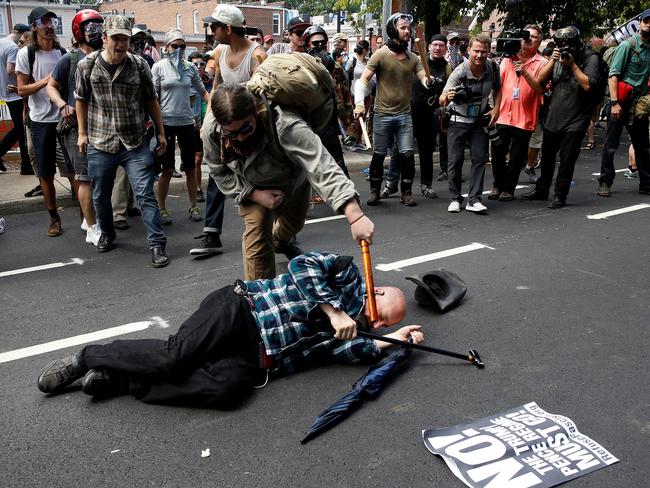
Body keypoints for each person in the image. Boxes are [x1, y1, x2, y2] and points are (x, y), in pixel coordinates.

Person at [36, 251, 423, 408]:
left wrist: (390, 343)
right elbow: (302, 264)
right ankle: (84, 358)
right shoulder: (347, 274)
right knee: (176, 356)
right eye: (382, 313)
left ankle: (120, 382)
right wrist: (333, 309)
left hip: (256, 358)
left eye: (386, 323)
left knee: (226, 390)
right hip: (241, 308)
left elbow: (344, 354)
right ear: (377, 289)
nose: (378, 321)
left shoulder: (361, 332)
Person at [203, 82, 374, 280]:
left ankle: (280, 241)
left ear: (255, 112)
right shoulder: (212, 130)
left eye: (246, 128)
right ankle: (261, 298)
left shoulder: (284, 123)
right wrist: (254, 194)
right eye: (231, 134)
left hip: (293, 181)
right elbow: (219, 173)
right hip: (250, 186)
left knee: (293, 224)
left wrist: (355, 215)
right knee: (257, 233)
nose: (240, 138)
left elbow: (320, 163)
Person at [75, 15, 170, 267]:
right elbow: (81, 99)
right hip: (100, 141)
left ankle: (157, 244)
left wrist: (160, 132)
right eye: (116, 38)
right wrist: (82, 133)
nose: (120, 44)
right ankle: (107, 232)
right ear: (104, 38)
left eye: (125, 39)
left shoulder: (139, 65)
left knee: (145, 194)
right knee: (100, 195)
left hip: (134, 142)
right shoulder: (87, 65)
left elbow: (151, 100)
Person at [190, 4, 267, 258]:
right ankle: (212, 234)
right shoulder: (221, 51)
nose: (212, 31)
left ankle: (282, 233)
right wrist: (207, 122)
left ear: (228, 28)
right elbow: (217, 89)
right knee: (217, 173)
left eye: (215, 26)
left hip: (251, 128)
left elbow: (264, 98)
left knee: (263, 175)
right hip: (226, 125)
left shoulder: (257, 55)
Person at [521, 26, 602, 208]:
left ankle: (560, 194)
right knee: (548, 156)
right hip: (555, 114)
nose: (564, 47)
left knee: (567, 159)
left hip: (577, 116)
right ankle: (541, 190)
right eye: (560, 44)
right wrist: (553, 59)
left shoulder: (590, 57)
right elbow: (540, 79)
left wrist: (572, 65)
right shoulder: (556, 56)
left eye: (567, 44)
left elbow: (588, 85)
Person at [354, 13, 429, 207]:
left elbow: (423, 77)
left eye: (408, 28)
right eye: (403, 27)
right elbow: (363, 80)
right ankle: (374, 191)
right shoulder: (381, 54)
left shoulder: (413, 57)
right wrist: (360, 103)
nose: (407, 31)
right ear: (392, 30)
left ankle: (406, 192)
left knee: (406, 154)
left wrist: (431, 83)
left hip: (404, 115)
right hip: (382, 114)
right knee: (379, 155)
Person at [47, 10, 104, 246]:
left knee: (102, 178)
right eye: (92, 29)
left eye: (100, 28)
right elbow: (51, 86)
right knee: (85, 178)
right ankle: (92, 227)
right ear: (79, 32)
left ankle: (95, 218)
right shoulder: (69, 60)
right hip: (77, 128)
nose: (97, 33)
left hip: (104, 127)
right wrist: (62, 105)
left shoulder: (108, 56)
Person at [16, 7, 69, 237]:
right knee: (46, 174)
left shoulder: (62, 53)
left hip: (64, 120)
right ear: (34, 26)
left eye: (52, 21)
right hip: (40, 122)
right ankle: (54, 218)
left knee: (74, 171)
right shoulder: (26, 54)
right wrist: (48, 80)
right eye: (44, 22)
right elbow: (21, 89)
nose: (50, 26)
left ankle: (86, 216)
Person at [152, 29, 210, 225]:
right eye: (175, 46)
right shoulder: (159, 67)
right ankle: (161, 208)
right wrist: (156, 126)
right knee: (167, 170)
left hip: (186, 122)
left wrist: (213, 109)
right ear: (167, 47)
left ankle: (193, 205)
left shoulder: (189, 68)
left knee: (191, 168)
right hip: (166, 124)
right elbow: (153, 97)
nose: (178, 49)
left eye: (182, 46)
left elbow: (203, 92)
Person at [440, 34, 502, 214]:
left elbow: (498, 88)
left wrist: (497, 108)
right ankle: (455, 198)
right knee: (455, 160)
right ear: (469, 50)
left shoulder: (492, 67)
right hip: (457, 121)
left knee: (479, 158)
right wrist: (448, 97)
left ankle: (474, 199)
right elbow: (441, 98)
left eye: (483, 51)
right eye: (476, 51)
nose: (480, 55)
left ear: (488, 51)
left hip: (478, 122)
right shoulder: (459, 71)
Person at [488, 24, 546, 202]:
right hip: (504, 114)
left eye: (534, 37)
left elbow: (539, 89)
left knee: (517, 156)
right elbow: (498, 86)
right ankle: (497, 185)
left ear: (539, 41)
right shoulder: (507, 59)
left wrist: (525, 71)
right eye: (526, 35)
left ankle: (508, 188)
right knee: (498, 152)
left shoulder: (542, 63)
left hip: (525, 117)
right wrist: (495, 108)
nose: (529, 39)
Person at [596, 9, 650, 197]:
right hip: (620, 100)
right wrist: (615, 103)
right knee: (611, 144)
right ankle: (605, 182)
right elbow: (613, 75)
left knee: (642, 144)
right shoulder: (628, 46)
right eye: (646, 21)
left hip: (639, 103)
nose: (649, 24)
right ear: (640, 23)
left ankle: (646, 183)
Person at [411, 34, 452, 197]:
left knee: (426, 151)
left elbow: (450, 91)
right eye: (434, 45)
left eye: (441, 45)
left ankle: (426, 185)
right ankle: (394, 184)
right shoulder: (418, 63)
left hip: (431, 116)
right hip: (412, 111)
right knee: (402, 150)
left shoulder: (448, 68)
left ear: (445, 48)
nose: (437, 48)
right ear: (428, 47)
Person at [0, 23, 31, 175]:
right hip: (15, 92)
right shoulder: (12, 48)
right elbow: (10, 70)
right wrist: (25, 76)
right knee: (23, 129)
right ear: (21, 33)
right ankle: (26, 166)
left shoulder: (1, 42)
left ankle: (26, 165)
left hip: (7, 93)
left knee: (19, 128)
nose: (22, 41)